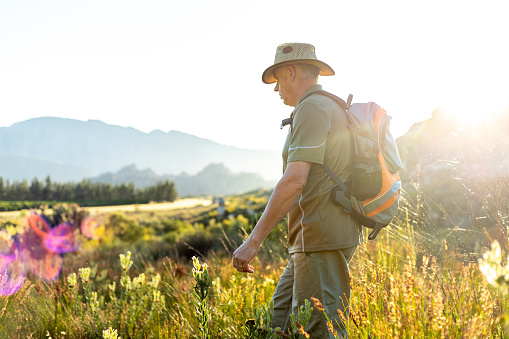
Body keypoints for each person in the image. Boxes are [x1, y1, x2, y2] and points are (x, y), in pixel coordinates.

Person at [232, 42, 363, 338]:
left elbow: (294, 180)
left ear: (290, 72)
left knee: (319, 330)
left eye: (277, 80)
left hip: (319, 239)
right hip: (314, 241)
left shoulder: (312, 109)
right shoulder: (330, 105)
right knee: (279, 325)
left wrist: (253, 241)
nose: (276, 90)